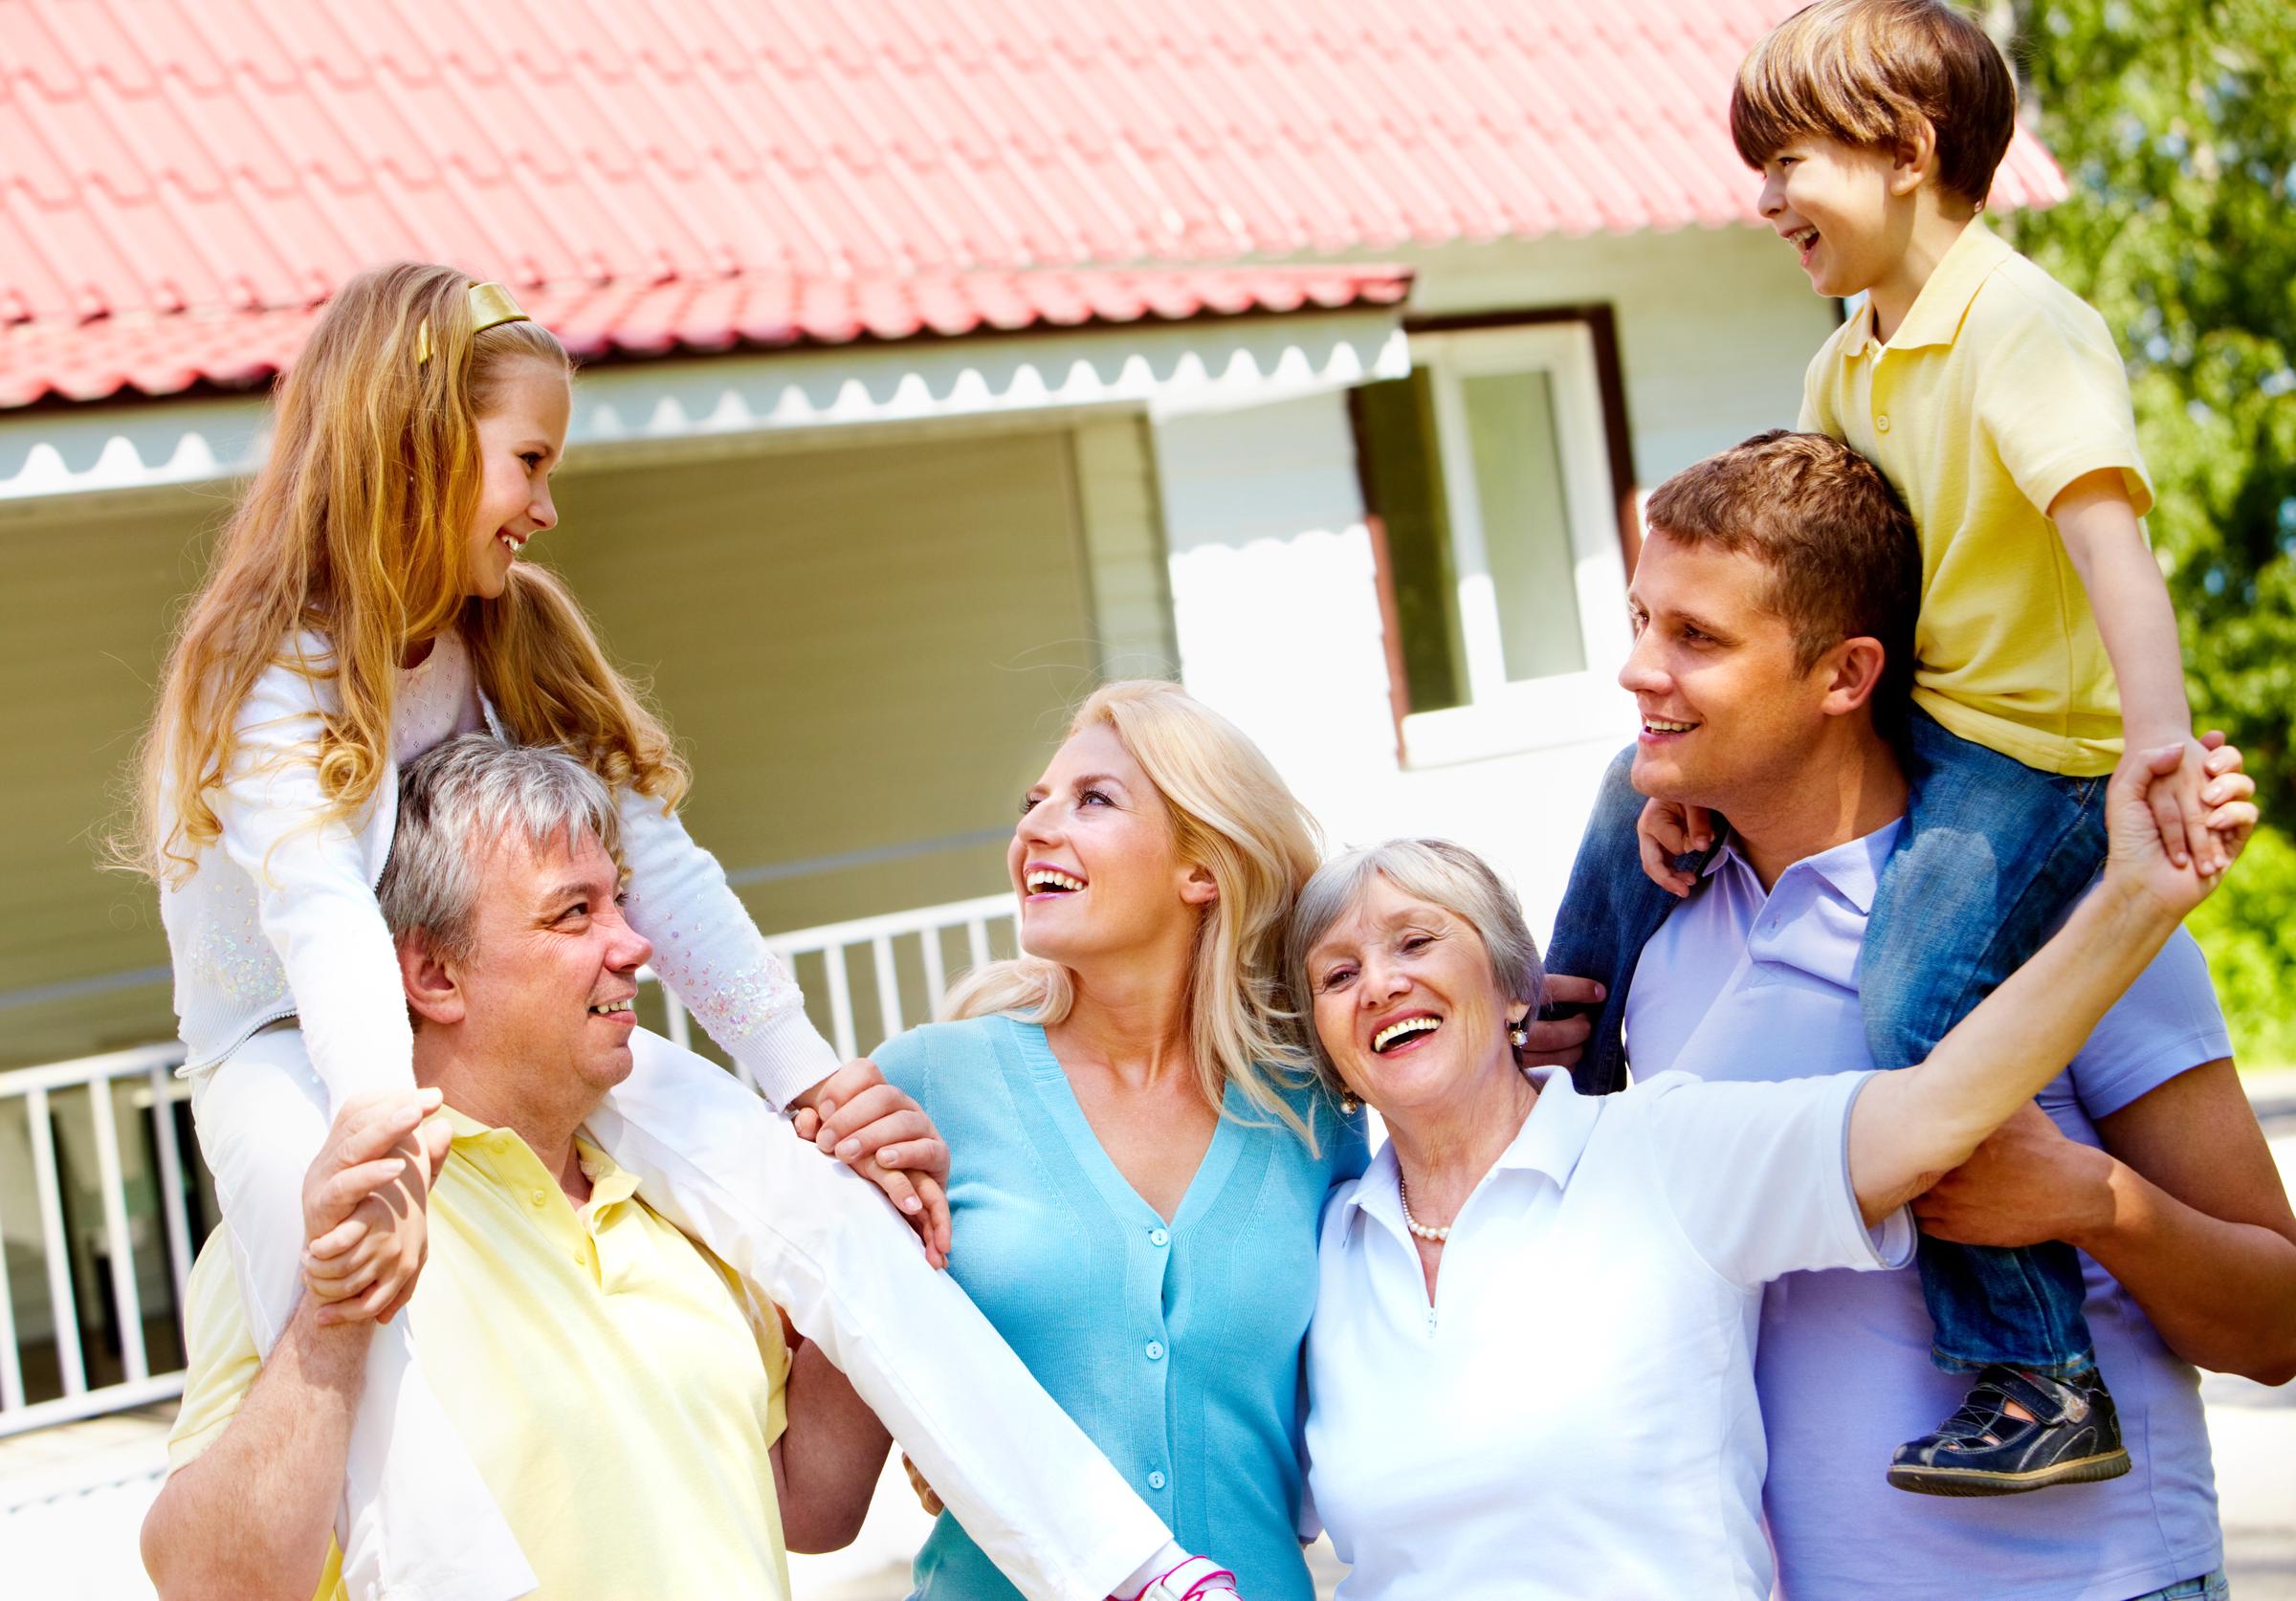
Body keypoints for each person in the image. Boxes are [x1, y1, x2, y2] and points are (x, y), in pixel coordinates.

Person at [125, 264, 1226, 1601]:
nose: (545, 502)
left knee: (825, 1207)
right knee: (361, 1288)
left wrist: (812, 1083)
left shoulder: (504, 635)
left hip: (439, 1029)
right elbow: (318, 912)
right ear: (413, 448)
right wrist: (379, 1124)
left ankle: (1119, 1564)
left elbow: (672, 878)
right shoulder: (270, 663)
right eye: (526, 459)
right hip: (292, 1053)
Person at [1547, 0, 2233, 1492]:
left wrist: (2156, 745)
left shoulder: (2025, 328)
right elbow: (1822, 572)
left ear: (1909, 150)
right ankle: (1572, 1057)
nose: (1765, 198)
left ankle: (2039, 1375)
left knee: (1919, 986)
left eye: (1788, 161)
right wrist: (1706, 797)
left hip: (2026, 744)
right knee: (1628, 784)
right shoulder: (1848, 363)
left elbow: (2108, 539)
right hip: (1925, 700)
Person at [1570, 434, 2296, 1598]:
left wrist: (2091, 1203)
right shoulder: (1658, 915)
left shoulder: (2046, 909)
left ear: (1845, 675)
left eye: (1696, 638)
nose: (1640, 669)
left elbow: (2277, 1324)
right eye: (1643, 619)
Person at [1292, 747, 2252, 1600]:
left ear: (1516, 985)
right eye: (1337, 976)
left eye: (1418, 941)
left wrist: (2138, 896)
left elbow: (1933, 1110)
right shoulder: (1325, 1249)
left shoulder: (1656, 1151)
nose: (1379, 983)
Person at [143, 736, 895, 1599]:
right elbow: (209, 1587)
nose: (634, 945)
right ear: (434, 975)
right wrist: (336, 1313)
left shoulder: (683, 1199)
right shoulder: (314, 1230)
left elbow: (812, 1505)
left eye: (620, 900)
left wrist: (864, 1210)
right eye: (575, 913)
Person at [826, 682, 1369, 1601]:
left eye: (1093, 800)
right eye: (1033, 804)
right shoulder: (924, 1085)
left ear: (1203, 867)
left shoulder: (1316, 1115)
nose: (1036, 829)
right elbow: (820, 1505)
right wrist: (819, 1221)